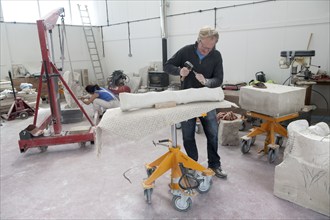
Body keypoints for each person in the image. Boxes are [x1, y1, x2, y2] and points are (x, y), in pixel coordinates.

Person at [163, 26, 227, 178]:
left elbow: (218, 79)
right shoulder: (186, 51)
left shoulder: (216, 56)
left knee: (212, 134)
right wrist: (179, 71)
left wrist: (206, 81)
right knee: (188, 135)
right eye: (204, 47)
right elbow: (167, 66)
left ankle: (214, 164)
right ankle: (192, 164)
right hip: (188, 100)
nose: (206, 51)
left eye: (210, 48)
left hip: (207, 100)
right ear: (198, 40)